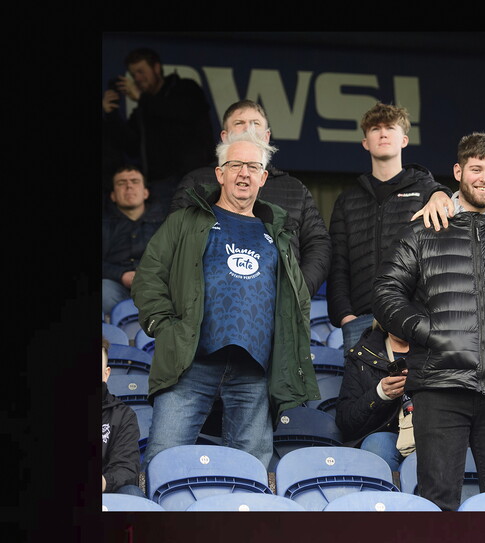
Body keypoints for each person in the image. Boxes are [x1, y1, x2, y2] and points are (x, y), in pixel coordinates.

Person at [131, 130, 321, 470]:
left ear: (263, 177)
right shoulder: (185, 221)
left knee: (250, 471)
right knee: (164, 463)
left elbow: (298, 301)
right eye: (235, 165)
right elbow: (148, 277)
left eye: (253, 166)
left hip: (254, 370)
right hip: (189, 363)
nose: (244, 173)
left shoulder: (277, 233)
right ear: (220, 173)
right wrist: (164, 326)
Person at [373, 132, 485, 511]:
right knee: (438, 501)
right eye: (476, 169)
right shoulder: (423, 229)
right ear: (458, 171)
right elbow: (385, 292)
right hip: (440, 386)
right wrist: (430, 333)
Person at [172, 100, 332, 297]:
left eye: (255, 123)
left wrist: (296, 294)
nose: (248, 129)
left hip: (281, 304)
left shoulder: (295, 189)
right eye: (239, 123)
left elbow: (318, 244)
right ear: (224, 136)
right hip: (212, 301)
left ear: (267, 136)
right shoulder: (196, 182)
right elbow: (176, 240)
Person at [327, 102, 454, 350]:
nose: (383, 134)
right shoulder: (347, 200)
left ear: (404, 140)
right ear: (365, 142)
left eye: (390, 128)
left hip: (414, 315)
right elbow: (337, 265)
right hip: (360, 320)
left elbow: (443, 255)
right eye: (375, 129)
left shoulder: (427, 191)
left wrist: (440, 192)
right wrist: (345, 316)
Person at [102, 47, 216, 210]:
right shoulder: (142, 109)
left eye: (141, 72)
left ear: (156, 68)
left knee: (196, 225)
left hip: (193, 181)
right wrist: (111, 113)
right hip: (159, 186)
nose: (137, 78)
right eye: (133, 75)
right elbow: (130, 146)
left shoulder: (185, 88)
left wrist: (142, 98)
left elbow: (181, 113)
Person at [335, 320, 411, 472]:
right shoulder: (361, 355)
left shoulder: (438, 349)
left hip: (432, 427)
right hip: (388, 434)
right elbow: (345, 422)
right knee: (377, 445)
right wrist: (380, 394)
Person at [102, 165, 165, 316]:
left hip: (161, 287)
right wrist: (122, 275)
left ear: (145, 193)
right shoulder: (105, 225)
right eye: (121, 183)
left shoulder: (166, 222)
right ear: (113, 196)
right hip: (117, 289)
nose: (129, 186)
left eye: (135, 181)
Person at [101, 337, 144, 497]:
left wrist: (105, 482)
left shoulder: (123, 415)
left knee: (131, 493)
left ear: (106, 374)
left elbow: (127, 468)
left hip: (106, 492)